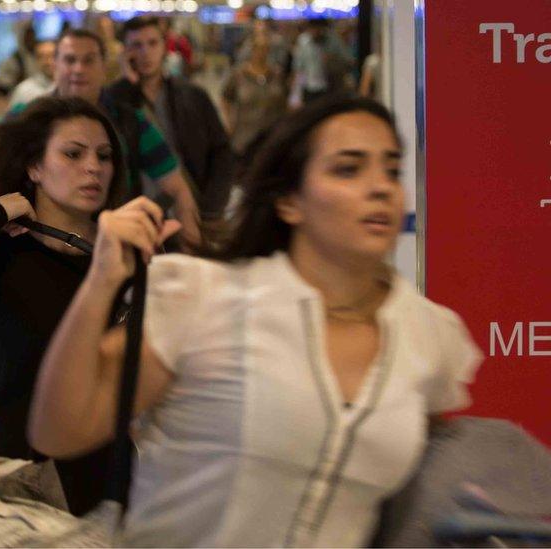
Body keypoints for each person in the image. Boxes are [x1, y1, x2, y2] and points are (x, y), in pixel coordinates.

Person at [29, 95, 483, 546]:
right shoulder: (207, 300)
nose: (381, 186)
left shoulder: (427, 334)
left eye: (392, 169)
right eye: (348, 168)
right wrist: (102, 282)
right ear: (289, 202)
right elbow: (60, 430)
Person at [0, 97, 167, 516]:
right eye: (73, 153)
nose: (93, 167)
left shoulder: (125, 256)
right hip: (14, 473)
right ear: (34, 167)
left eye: (104, 156)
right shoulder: (8, 249)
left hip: (105, 478)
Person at [12, 29, 201, 247]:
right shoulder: (24, 117)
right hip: (38, 246)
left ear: (104, 67)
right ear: (55, 65)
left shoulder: (131, 121)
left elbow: (177, 187)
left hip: (115, 243)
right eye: (70, 59)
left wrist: (193, 253)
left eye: (89, 60)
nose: (78, 69)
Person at [108, 16, 234, 221]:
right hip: (138, 212)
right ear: (125, 52)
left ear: (164, 47)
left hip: (192, 207)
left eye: (152, 43)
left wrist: (212, 207)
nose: (145, 52)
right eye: (136, 45)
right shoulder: (116, 100)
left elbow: (221, 152)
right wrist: (128, 85)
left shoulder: (193, 96)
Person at [222, 34, 288, 163]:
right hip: (245, 138)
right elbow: (226, 98)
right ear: (252, 51)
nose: (262, 52)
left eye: (265, 48)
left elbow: (285, 100)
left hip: (271, 138)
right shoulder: (238, 75)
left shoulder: (277, 74)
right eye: (258, 48)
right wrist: (228, 121)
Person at [292, 18, 354, 105]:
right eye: (313, 29)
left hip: (329, 87)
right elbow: (299, 68)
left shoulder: (333, 41)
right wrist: (295, 95)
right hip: (309, 87)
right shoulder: (303, 41)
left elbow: (348, 61)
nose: (316, 32)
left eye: (319, 29)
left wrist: (333, 59)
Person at [7, 40, 56, 109]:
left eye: (52, 55)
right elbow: (12, 118)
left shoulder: (70, 87)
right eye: (41, 56)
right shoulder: (23, 90)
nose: (47, 61)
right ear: (35, 60)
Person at [0, 24, 38, 97]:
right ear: (23, 38)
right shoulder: (16, 58)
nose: (31, 40)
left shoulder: (37, 55)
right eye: (28, 37)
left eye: (32, 36)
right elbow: (1, 80)